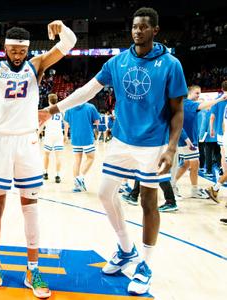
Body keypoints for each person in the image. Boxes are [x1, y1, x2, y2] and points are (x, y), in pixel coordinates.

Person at [39, 7, 186, 295]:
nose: (137, 31)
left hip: (152, 144)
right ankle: (126, 249)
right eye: (134, 26)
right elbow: (88, 91)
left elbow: (177, 110)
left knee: (148, 203)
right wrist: (53, 109)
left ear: (155, 30)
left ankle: (145, 263)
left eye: (143, 27)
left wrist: (171, 148)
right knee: (106, 193)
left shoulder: (171, 64)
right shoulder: (118, 62)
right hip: (120, 141)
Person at [0, 17, 76, 298]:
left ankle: (32, 268)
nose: (18, 56)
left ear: (28, 50)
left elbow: (68, 44)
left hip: (27, 141)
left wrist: (61, 28)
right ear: (6, 48)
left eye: (22, 52)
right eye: (13, 51)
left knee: (30, 206)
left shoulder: (38, 65)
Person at [172, 85, 226, 200]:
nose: (198, 95)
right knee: (195, 163)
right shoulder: (188, 104)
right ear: (189, 93)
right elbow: (204, 105)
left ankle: (174, 185)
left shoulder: (182, 103)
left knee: (186, 164)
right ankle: (193, 190)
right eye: (197, 93)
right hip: (187, 139)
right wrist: (220, 99)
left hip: (184, 138)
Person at [64, 102, 99, 192]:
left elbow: (66, 122)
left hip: (75, 137)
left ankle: (77, 185)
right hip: (87, 137)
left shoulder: (69, 108)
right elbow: (97, 122)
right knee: (91, 158)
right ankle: (80, 178)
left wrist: (65, 135)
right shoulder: (91, 106)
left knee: (77, 161)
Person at [41, 93, 68, 183]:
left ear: (49, 100)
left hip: (49, 134)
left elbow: (42, 124)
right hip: (58, 134)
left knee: (46, 155)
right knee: (58, 156)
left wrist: (37, 134)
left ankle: (45, 173)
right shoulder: (61, 110)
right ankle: (57, 175)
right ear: (57, 100)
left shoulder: (46, 110)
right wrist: (65, 135)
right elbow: (66, 124)